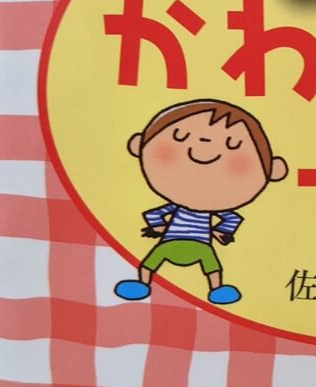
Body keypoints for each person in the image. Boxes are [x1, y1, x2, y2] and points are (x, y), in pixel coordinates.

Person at [113, 98, 287, 305]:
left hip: (201, 244)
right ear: (139, 146)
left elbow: (231, 218)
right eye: (180, 137)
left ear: (273, 171)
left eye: (232, 145)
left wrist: (219, 232)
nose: (205, 147)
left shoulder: (210, 210)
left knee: (211, 264)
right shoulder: (176, 207)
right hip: (169, 242)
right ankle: (142, 283)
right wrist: (158, 227)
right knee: (152, 260)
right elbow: (154, 214)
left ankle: (217, 288)